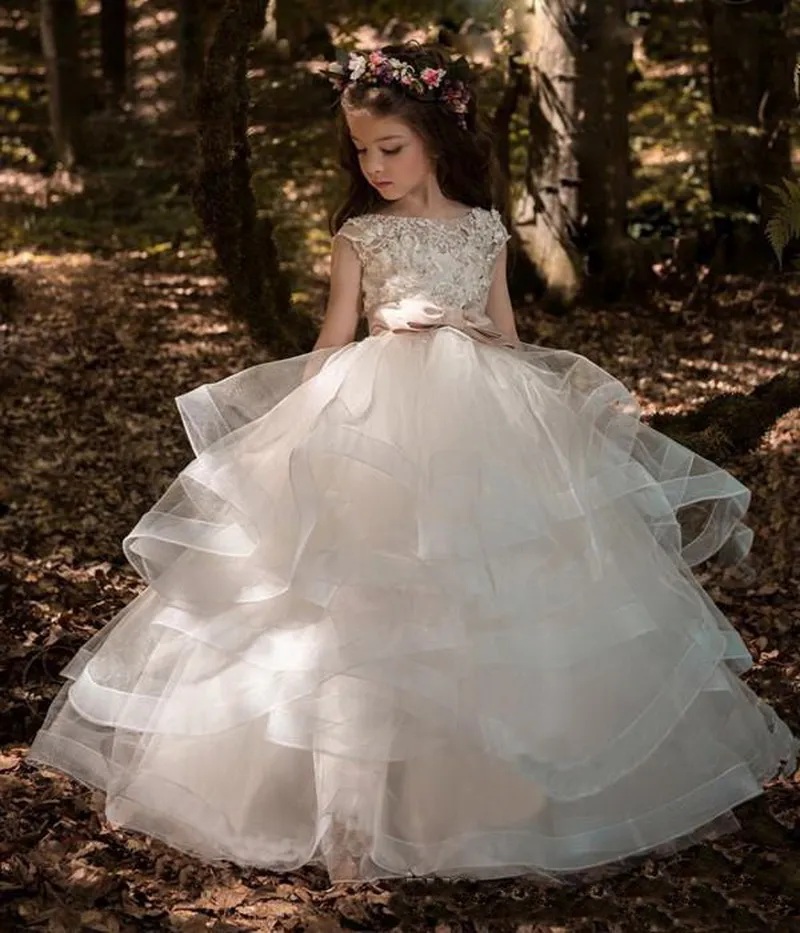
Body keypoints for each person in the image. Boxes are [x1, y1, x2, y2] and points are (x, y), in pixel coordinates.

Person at [27, 42, 796, 885]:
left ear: (434, 135)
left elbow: (508, 335)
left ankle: (492, 803)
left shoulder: (484, 229)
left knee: (491, 592)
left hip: (487, 418)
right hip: (376, 420)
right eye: (361, 150)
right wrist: (299, 423)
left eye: (390, 148)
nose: (375, 164)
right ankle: (352, 817)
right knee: (361, 603)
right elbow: (332, 340)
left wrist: (468, 328)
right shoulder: (360, 233)